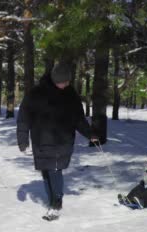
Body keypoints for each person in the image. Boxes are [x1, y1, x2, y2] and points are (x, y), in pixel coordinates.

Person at [17, 63, 98, 220]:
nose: (66, 84)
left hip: (63, 140)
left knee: (55, 170)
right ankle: (52, 200)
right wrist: (22, 140)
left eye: (67, 82)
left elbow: (78, 119)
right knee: (46, 171)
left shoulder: (70, 94)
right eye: (63, 82)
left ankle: (56, 203)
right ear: (54, 79)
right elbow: (24, 118)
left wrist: (90, 134)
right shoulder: (36, 93)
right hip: (41, 140)